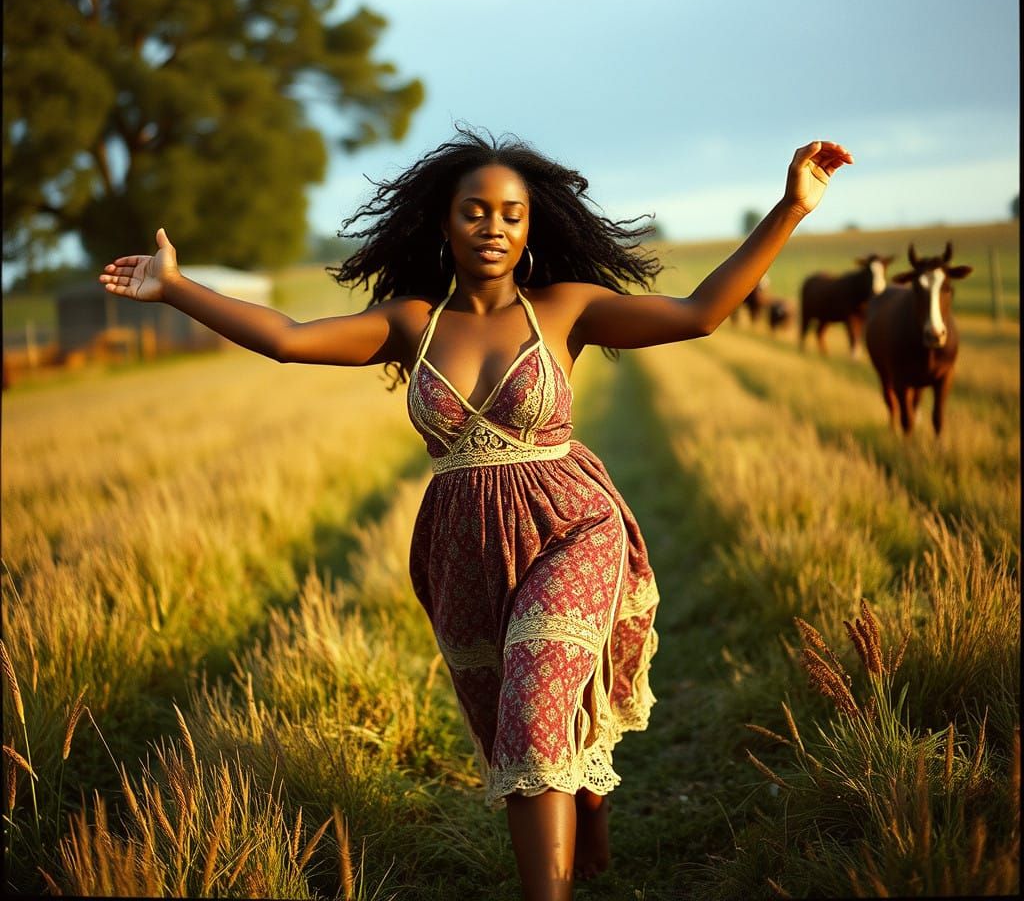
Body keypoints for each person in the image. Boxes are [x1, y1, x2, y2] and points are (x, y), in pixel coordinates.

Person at [99, 128, 852, 900]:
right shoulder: (411, 324)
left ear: (530, 229)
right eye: (475, 212)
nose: (494, 227)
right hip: (463, 549)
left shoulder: (565, 309)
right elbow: (288, 340)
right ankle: (587, 803)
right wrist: (177, 287)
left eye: (511, 214)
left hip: (572, 528)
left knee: (534, 710)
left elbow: (698, 313)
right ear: (444, 223)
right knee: (515, 727)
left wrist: (790, 209)